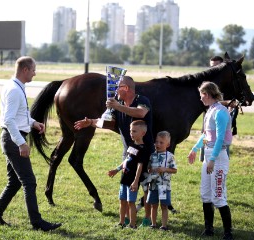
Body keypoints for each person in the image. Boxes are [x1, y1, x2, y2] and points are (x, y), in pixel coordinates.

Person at [0, 56, 62, 232]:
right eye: (33, 70)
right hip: (13, 140)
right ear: (25, 70)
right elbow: (9, 120)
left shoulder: (14, 86)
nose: (35, 73)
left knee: (14, 182)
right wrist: (21, 143)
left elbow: (19, 115)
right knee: (29, 181)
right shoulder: (14, 90)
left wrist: (33, 123)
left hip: (12, 138)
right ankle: (37, 222)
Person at [74, 76, 153, 227]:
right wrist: (91, 122)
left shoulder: (142, 100)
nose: (115, 90)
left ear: (126, 88)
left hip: (145, 151)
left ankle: (148, 218)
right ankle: (129, 218)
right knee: (127, 186)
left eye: (118, 87)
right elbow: (106, 122)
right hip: (129, 152)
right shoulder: (118, 105)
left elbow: (140, 113)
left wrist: (117, 106)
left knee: (146, 186)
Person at [188, 81, 234, 240]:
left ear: (207, 94)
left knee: (218, 195)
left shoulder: (220, 112)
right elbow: (207, 136)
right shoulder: (210, 111)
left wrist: (213, 159)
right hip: (208, 156)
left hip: (218, 157)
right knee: (206, 194)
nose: (200, 99)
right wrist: (195, 148)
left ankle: (228, 232)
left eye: (201, 96)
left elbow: (220, 139)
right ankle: (209, 229)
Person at [107, 120, 149, 229]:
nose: (131, 133)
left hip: (132, 181)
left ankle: (132, 224)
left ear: (143, 133)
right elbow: (126, 160)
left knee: (131, 202)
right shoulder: (131, 145)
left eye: (134, 131)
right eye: (131, 131)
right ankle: (121, 222)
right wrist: (117, 169)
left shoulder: (143, 149)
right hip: (124, 178)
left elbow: (140, 166)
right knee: (122, 201)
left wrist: (136, 181)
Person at [146, 131, 177, 231]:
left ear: (167, 144)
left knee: (164, 205)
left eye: (161, 142)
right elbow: (148, 168)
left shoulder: (170, 156)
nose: (158, 144)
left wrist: (164, 169)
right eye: (156, 142)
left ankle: (164, 226)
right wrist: (151, 170)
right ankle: (153, 224)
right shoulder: (152, 155)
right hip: (153, 185)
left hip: (164, 186)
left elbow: (174, 170)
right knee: (153, 205)